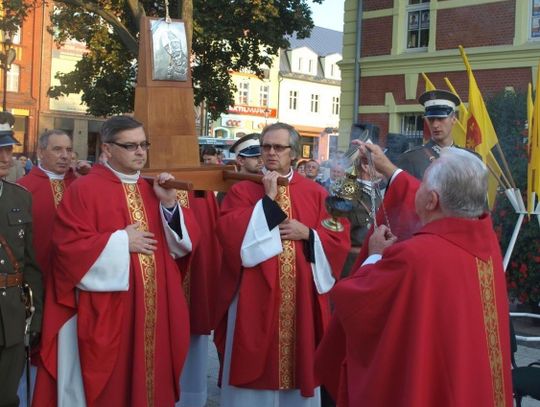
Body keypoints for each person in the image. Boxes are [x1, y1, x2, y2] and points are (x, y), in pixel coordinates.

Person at [316, 143, 513, 406]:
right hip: (471, 384)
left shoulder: (415, 257)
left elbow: (354, 302)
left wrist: (374, 256)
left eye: (421, 185)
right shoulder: (485, 243)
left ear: (431, 200)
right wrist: (388, 168)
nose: (415, 189)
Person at [33, 116, 201, 407]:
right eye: (130, 145)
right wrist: (122, 241)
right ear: (108, 149)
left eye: (143, 144)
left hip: (154, 308)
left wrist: (170, 205)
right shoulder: (85, 190)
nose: (140, 152)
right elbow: (68, 250)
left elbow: (182, 247)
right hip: (110, 312)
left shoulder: (154, 189)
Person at [215, 122, 350, 407]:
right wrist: (268, 201)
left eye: (279, 147)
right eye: (266, 147)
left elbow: (338, 235)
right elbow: (228, 235)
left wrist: (310, 234)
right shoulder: (243, 191)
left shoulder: (314, 193)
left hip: (300, 297)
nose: (271, 153)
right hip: (255, 295)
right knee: (252, 367)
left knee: (300, 365)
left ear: (294, 152)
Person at [0, 114, 43, 407]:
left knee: (6, 396)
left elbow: (30, 264)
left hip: (11, 314)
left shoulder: (20, 198)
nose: (6, 157)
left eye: (8, 149)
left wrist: (36, 316)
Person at [176, 189, 222, 407]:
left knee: (193, 336)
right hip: (160, 277)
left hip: (195, 276)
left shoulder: (201, 189)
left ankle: (191, 397)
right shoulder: (144, 183)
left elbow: (211, 239)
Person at [397, 89, 465, 180]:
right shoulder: (411, 158)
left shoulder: (468, 158)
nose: (435, 125)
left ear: (453, 119)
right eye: (431, 119)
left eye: (441, 118)